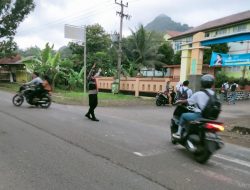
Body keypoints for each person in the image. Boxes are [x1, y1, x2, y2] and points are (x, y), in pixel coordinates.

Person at [173, 74, 216, 139]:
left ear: (202, 83)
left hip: (199, 115)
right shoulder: (214, 94)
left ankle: (178, 133)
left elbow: (188, 101)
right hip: (211, 117)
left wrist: (179, 101)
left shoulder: (198, 93)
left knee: (183, 115)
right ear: (212, 84)